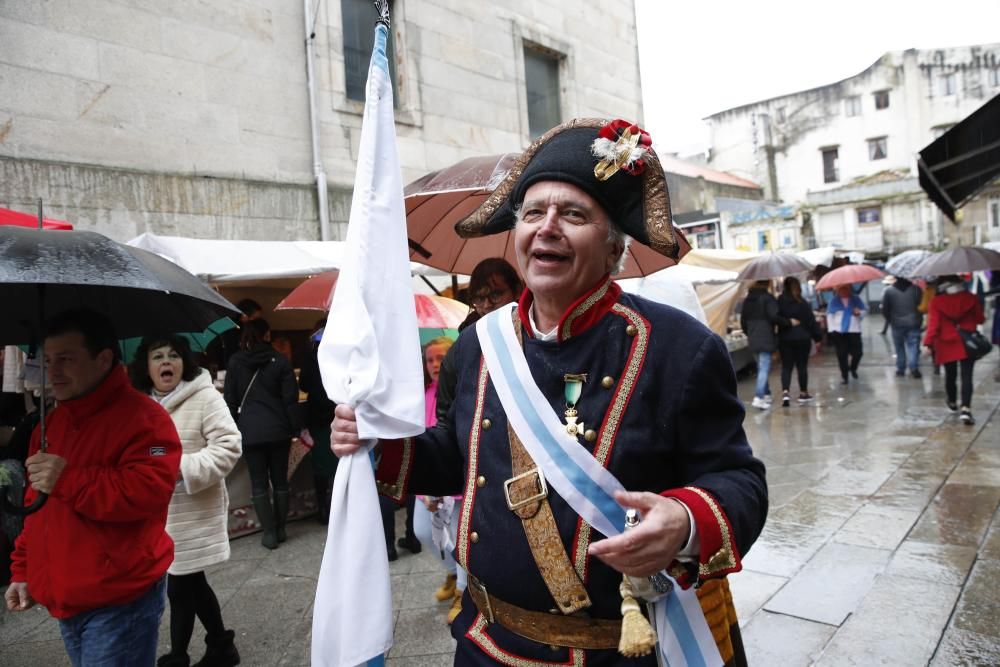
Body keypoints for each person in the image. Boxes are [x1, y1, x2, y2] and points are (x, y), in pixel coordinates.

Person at [332, 118, 767, 666]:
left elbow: (740, 481)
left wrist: (683, 520)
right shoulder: (475, 346)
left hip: (614, 653)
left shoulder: (680, 349)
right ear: (516, 238)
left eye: (575, 214)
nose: (548, 227)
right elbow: (454, 457)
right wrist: (379, 441)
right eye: (534, 212)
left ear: (613, 251)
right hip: (484, 643)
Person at [4, 309, 181, 665]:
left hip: (119, 598)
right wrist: (23, 570)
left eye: (66, 359)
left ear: (103, 359)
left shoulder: (146, 419)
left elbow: (147, 490)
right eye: (49, 360)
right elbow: (37, 506)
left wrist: (68, 478)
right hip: (67, 595)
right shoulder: (48, 423)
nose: (53, 371)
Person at [130, 335, 243, 667]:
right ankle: (222, 645)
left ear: (185, 362)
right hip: (155, 514)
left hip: (193, 509)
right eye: (158, 355)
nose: (166, 361)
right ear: (146, 366)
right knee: (190, 582)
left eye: (174, 355)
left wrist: (179, 468)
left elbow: (228, 446)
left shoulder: (205, 396)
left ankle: (178, 656)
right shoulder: (138, 405)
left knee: (180, 585)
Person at [223, 318, 301, 550]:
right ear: (267, 335)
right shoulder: (280, 361)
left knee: (258, 483)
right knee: (280, 480)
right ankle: (281, 528)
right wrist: (295, 428)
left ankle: (268, 533)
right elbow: (291, 400)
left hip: (250, 432)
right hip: (279, 431)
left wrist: (236, 428)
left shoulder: (235, 362)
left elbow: (230, 400)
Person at [411, 336, 468, 624]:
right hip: (428, 480)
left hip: (455, 481)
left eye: (440, 358)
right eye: (430, 359)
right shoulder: (419, 394)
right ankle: (450, 571)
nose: (435, 364)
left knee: (460, 539)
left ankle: (463, 592)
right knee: (422, 531)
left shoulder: (462, 392)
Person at [924, 275, 986, 425]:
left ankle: (952, 401)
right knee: (967, 376)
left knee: (950, 375)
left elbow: (934, 325)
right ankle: (966, 409)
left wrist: (927, 343)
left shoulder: (937, 302)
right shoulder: (971, 298)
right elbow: (980, 319)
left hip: (947, 342)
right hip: (967, 341)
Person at [299, 320, 337, 525]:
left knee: (321, 465)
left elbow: (304, 383)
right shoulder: (340, 355)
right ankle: (338, 507)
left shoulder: (311, 355)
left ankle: (323, 508)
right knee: (339, 463)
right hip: (336, 414)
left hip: (318, 417)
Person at [740, 280, 787, 410]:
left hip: (753, 338)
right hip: (766, 336)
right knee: (764, 368)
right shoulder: (767, 298)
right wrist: (787, 322)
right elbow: (774, 316)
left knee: (761, 367)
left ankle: (766, 394)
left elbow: (743, 321)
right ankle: (759, 397)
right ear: (766, 284)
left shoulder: (747, 300)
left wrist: (749, 332)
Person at [777, 276, 822, 406]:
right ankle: (803, 393)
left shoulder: (780, 301)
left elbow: (775, 317)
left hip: (785, 338)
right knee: (801, 366)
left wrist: (787, 323)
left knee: (786, 367)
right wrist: (817, 337)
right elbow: (811, 322)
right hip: (803, 338)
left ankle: (785, 393)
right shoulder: (803, 303)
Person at [882, 276, 924, 378]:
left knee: (899, 346)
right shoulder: (916, 289)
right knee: (913, 345)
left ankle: (901, 369)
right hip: (914, 322)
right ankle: (914, 367)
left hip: (896, 323)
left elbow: (885, 309)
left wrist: (890, 319)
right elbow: (922, 305)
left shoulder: (889, 291)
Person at [826, 284, 867, 384]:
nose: (844, 291)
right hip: (838, 331)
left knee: (858, 353)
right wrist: (831, 330)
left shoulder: (856, 299)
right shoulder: (834, 301)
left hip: (854, 330)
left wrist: (859, 313)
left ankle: (853, 368)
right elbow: (830, 316)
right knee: (842, 354)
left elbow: (864, 310)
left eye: (846, 288)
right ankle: (844, 376)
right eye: (842, 289)